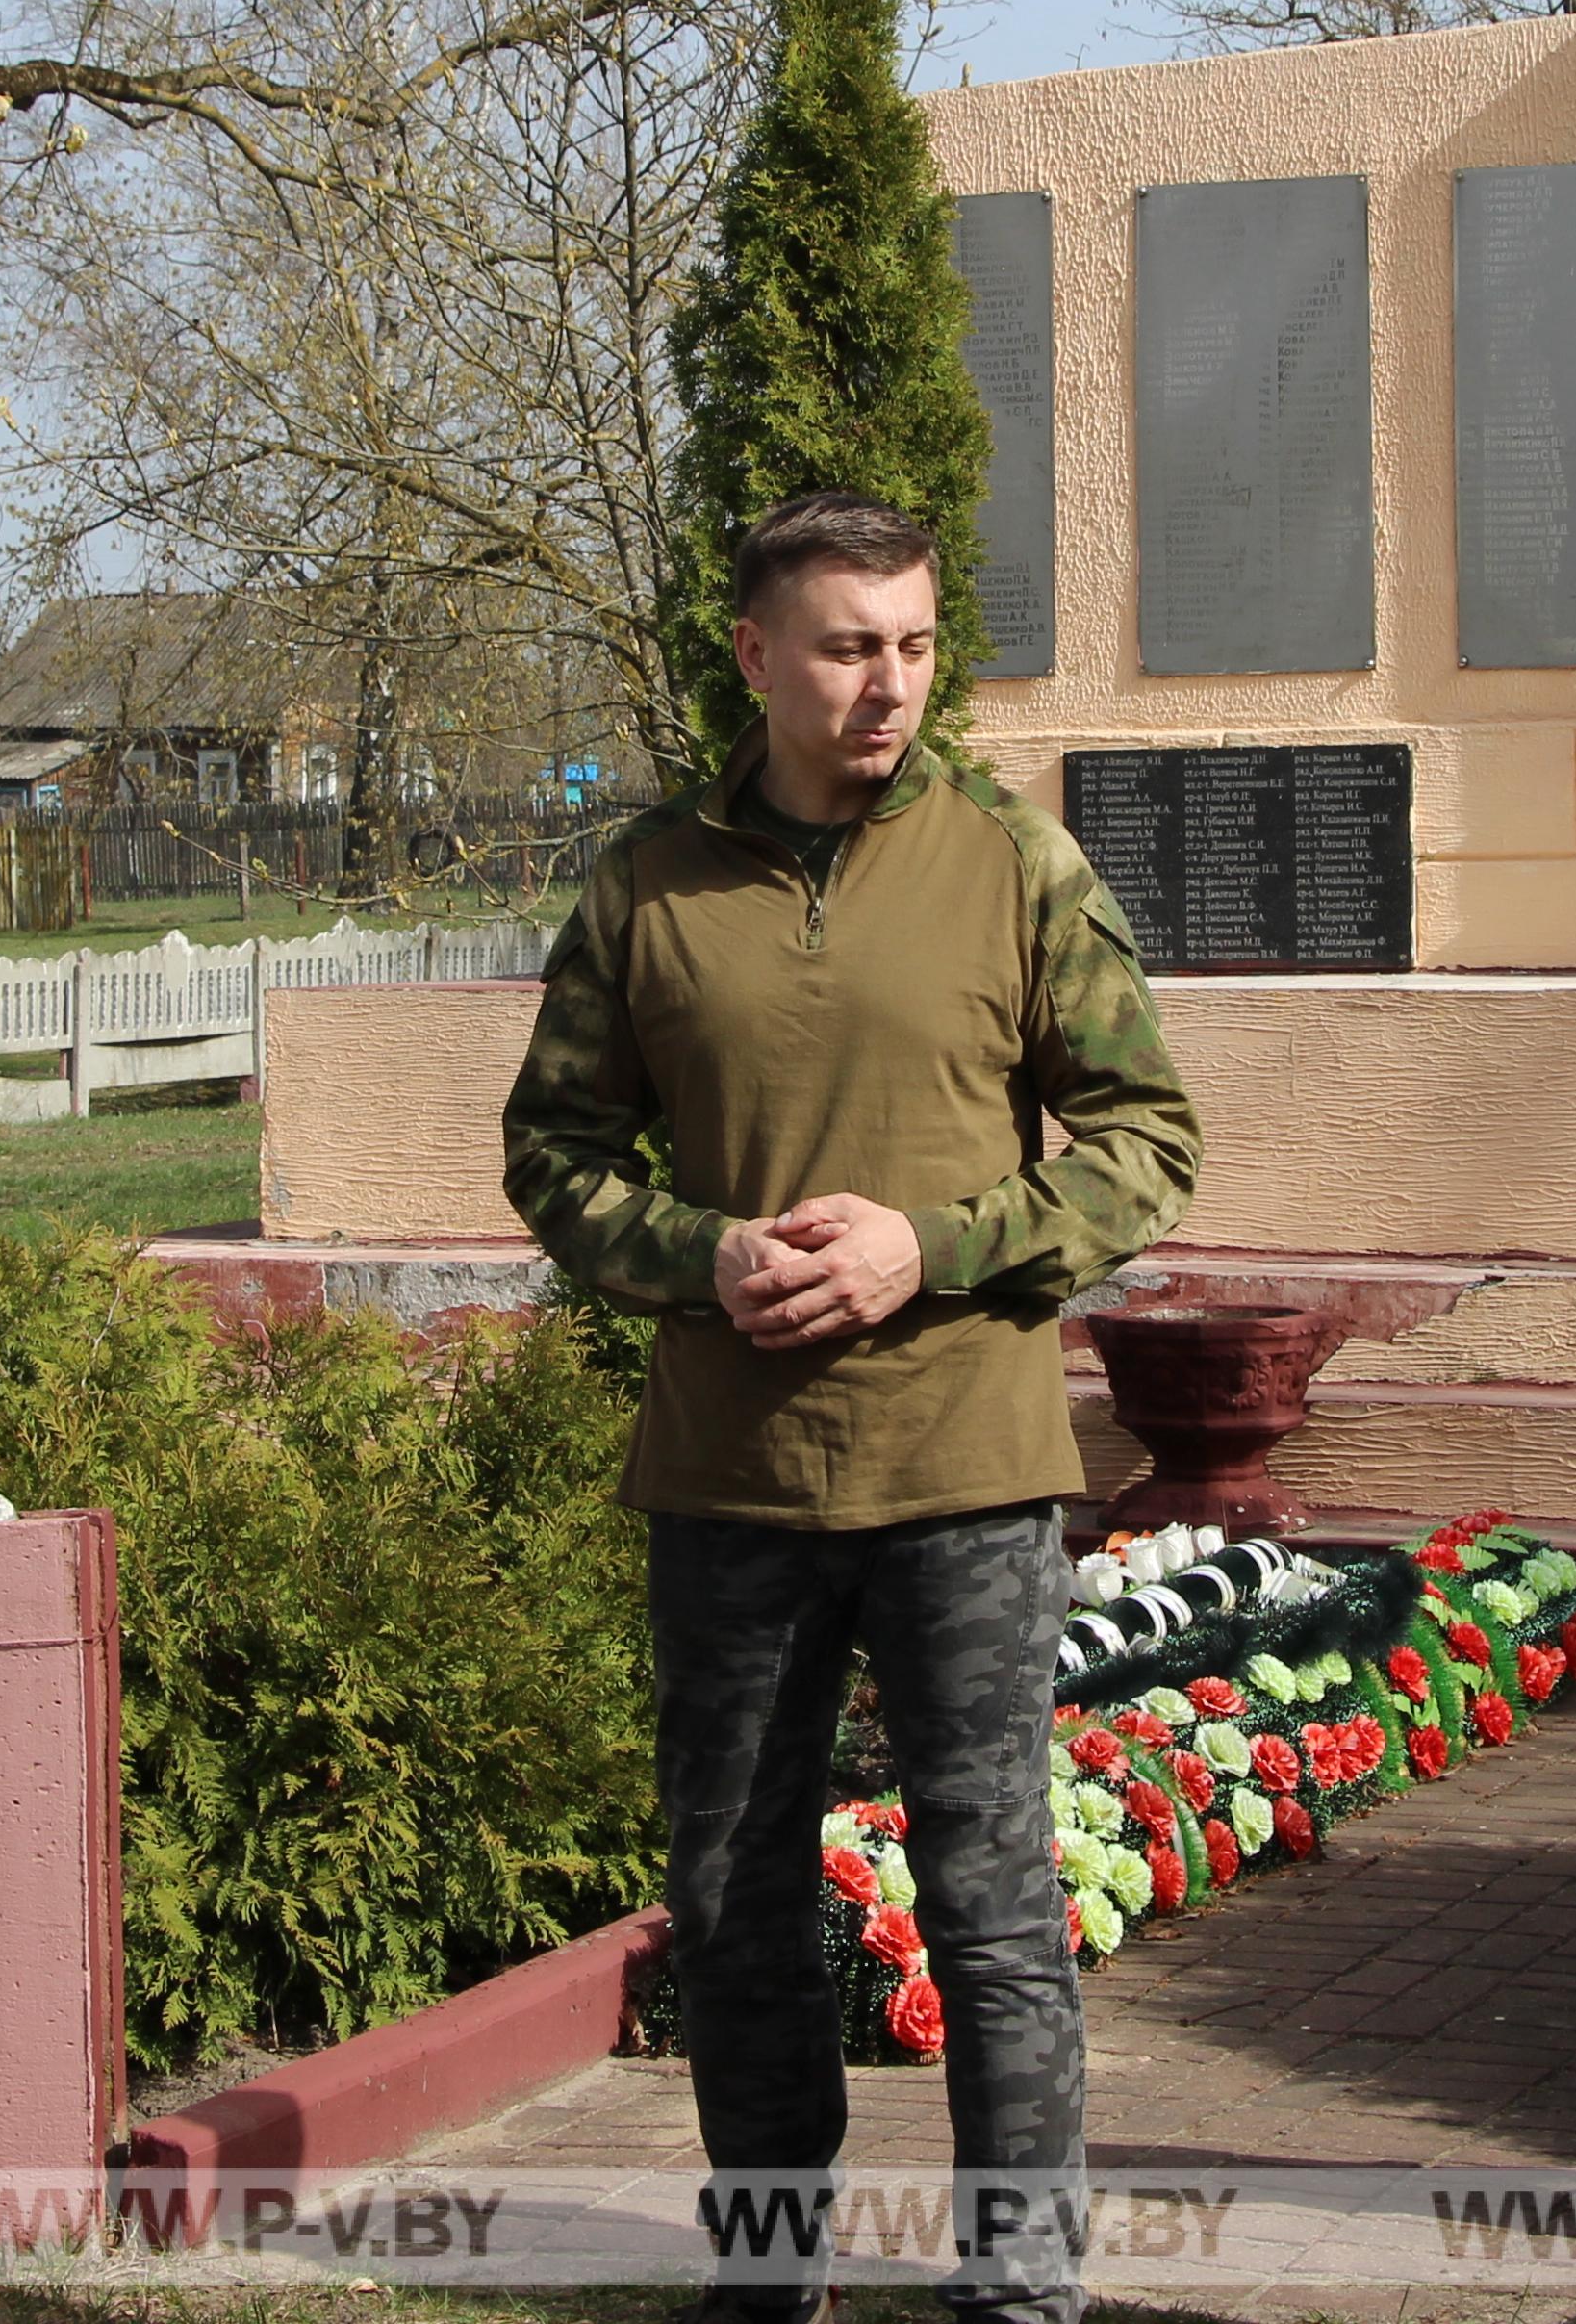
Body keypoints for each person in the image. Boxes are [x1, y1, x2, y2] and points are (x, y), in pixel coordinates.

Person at [501, 490, 1201, 2324]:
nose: (887, 684)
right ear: (754, 655)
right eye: (845, 646)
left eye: (910, 644)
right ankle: (767, 2275)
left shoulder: (1012, 863)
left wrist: (937, 1248)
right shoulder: (644, 884)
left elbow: (1149, 1143)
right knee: (731, 1898)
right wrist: (695, 1254)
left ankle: (1021, 2289)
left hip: (967, 1470)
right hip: (729, 1477)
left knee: (990, 1903)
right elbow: (552, 1153)